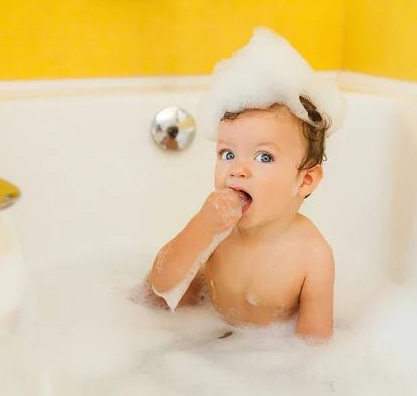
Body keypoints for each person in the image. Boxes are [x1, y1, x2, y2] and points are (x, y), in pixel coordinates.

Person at [141, 27, 346, 344]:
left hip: (261, 354)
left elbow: (314, 344)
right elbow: (161, 286)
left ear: (304, 180)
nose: (238, 169)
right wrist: (201, 227)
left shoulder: (312, 255)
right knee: (148, 301)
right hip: (202, 330)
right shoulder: (216, 229)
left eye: (264, 157)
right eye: (227, 153)